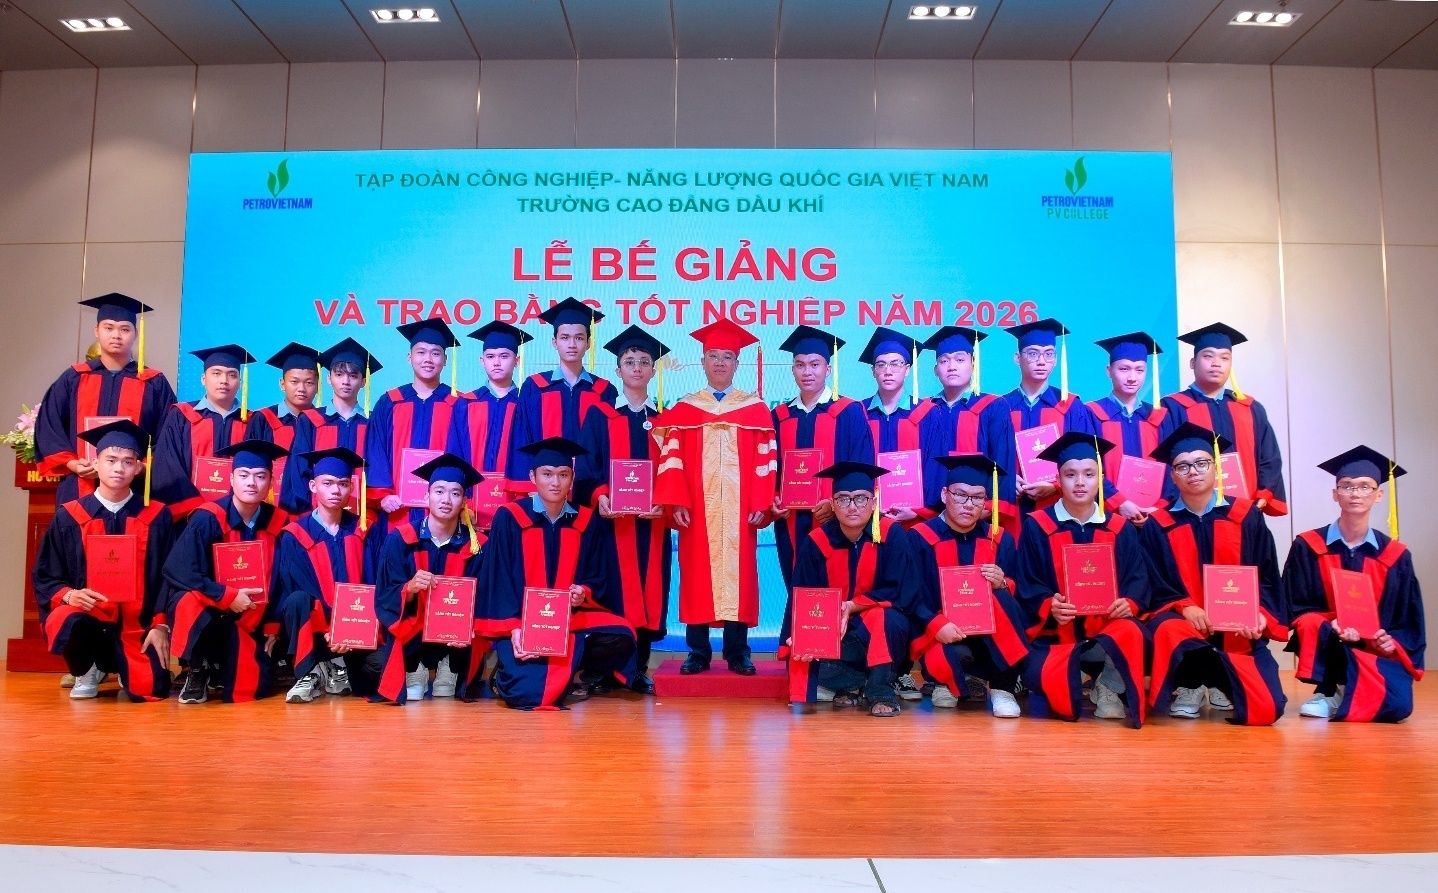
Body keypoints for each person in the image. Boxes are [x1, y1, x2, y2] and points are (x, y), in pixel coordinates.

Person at [1140, 423, 1287, 725]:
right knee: (1169, 629)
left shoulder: (1246, 516)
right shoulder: (1159, 525)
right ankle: (1190, 683)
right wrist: (1184, 605)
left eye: (1201, 463)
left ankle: (1220, 680)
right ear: (1173, 476)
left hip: (1237, 631)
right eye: (1182, 466)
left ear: (1216, 468)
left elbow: (1267, 575)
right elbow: (1154, 583)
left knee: (1267, 708)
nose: (1193, 471)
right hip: (1186, 626)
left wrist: (1260, 615)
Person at [653, 319, 776, 676]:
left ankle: (738, 652)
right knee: (695, 575)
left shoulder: (755, 410)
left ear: (737, 363)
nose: (720, 362)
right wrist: (676, 501)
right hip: (697, 510)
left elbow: (767, 461)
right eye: (713, 356)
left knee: (741, 576)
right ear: (702, 361)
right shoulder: (686, 410)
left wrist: (761, 503)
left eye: (727, 356)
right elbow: (671, 458)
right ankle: (698, 652)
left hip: (741, 511)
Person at [476, 437, 636, 710]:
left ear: (572, 479)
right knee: (525, 694)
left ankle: (572, 669)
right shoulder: (510, 517)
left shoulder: (586, 521)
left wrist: (582, 592)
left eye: (563, 475)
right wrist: (514, 628)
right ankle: (506, 674)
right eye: (547, 474)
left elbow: (596, 575)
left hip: (568, 620)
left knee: (623, 636)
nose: (555, 482)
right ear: (533, 477)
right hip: (521, 622)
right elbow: (498, 578)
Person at [32, 420, 174, 701]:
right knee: (63, 616)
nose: (119, 468)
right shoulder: (70, 516)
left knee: (151, 690)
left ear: (138, 468)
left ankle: (123, 665)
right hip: (89, 619)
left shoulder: (157, 517)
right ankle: (87, 669)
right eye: (111, 460)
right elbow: (46, 574)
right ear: (96, 464)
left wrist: (160, 624)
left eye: (128, 462)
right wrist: (69, 595)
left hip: (137, 626)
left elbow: (168, 576)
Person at [1015, 433, 1150, 727]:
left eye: (1089, 474)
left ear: (1100, 479)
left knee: (1136, 633)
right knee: (1047, 687)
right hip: (1056, 634)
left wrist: (1129, 602)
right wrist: (1048, 604)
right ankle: (1073, 671)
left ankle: (1109, 684)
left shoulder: (1119, 528)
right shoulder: (1037, 526)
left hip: (1105, 633)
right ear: (1058, 480)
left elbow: (1137, 578)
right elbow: (1027, 579)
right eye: (1070, 474)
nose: (1080, 482)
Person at [1285, 446, 1424, 722]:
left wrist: (1390, 640)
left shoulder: (1395, 555)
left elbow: (1409, 618)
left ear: (1378, 495)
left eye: (1364, 487)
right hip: (1329, 637)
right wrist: (1333, 623)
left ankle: (1347, 690)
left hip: (1373, 645)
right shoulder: (1308, 546)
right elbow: (1293, 602)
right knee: (1311, 623)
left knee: (1398, 707)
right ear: (1335, 494)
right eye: (1347, 486)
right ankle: (1327, 690)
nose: (1355, 493)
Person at [577, 326, 671, 694]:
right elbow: (587, 467)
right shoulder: (599, 416)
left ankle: (637, 668)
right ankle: (606, 669)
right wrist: (600, 495)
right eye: (629, 362)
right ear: (618, 370)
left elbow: (674, 470)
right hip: (611, 526)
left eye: (644, 362)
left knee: (648, 591)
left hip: (650, 525)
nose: (636, 367)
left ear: (653, 371)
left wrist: (663, 500)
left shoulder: (665, 421)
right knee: (612, 592)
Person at [163, 440, 291, 704]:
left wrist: (273, 625)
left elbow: (283, 580)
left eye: (260, 476)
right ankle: (197, 668)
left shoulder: (279, 522)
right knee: (186, 600)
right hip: (210, 609)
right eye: (243, 475)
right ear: (231, 479)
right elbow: (180, 570)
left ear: (271, 483)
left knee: (256, 686)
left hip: (252, 616)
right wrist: (226, 595)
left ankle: (220, 667)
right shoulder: (208, 517)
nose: (251, 483)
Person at [786, 461, 917, 717]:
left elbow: (904, 592)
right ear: (833, 504)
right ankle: (856, 682)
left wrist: (852, 606)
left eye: (860, 498)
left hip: (883, 633)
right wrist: (802, 635)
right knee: (805, 659)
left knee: (887, 618)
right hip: (836, 633)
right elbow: (802, 596)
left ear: (874, 502)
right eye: (843, 499)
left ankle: (881, 692)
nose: (853, 506)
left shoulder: (892, 535)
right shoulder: (817, 542)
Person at [909, 454, 1030, 718]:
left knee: (1003, 598)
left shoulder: (998, 539)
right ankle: (945, 682)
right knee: (953, 655)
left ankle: (1003, 688)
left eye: (977, 498)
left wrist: (1003, 583)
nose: (968, 504)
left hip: (990, 635)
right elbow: (910, 595)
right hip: (942, 631)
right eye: (960, 495)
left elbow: (1019, 587)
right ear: (944, 495)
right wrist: (936, 625)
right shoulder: (919, 538)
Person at [34, 294, 175, 506]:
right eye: (109, 328)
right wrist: (73, 464)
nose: (116, 335)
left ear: (136, 334)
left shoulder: (153, 382)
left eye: (125, 329)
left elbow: (169, 433)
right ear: (96, 331)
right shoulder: (74, 378)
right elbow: (49, 425)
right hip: (80, 485)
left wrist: (144, 466)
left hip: (136, 487)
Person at [373, 453, 487, 704]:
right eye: (439, 491)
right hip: (415, 633)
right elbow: (385, 594)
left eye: (455, 493)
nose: (446, 499)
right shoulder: (400, 539)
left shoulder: (478, 545)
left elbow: (487, 597)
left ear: (464, 502)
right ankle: (415, 667)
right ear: (426, 497)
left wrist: (466, 627)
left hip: (458, 639)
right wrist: (410, 588)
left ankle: (451, 667)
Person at [770, 325, 874, 596]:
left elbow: (861, 468)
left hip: (837, 517)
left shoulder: (849, 412)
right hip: (790, 521)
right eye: (800, 365)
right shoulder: (780, 416)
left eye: (815, 364)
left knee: (836, 588)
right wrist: (775, 497)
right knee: (797, 587)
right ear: (792, 369)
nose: (807, 372)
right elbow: (771, 467)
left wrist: (836, 502)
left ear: (828, 369)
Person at [274, 448, 380, 704]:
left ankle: (338, 664)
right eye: (328, 483)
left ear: (351, 488)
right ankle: (309, 670)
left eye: (343, 484)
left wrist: (349, 629)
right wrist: (333, 629)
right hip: (315, 629)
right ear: (313, 486)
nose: (336, 490)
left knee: (382, 668)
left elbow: (373, 582)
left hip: (357, 627)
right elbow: (298, 587)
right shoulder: (295, 534)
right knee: (297, 599)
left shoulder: (364, 529)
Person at [1159, 323, 1287, 516]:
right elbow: (1166, 462)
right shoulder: (1173, 407)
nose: (1216, 363)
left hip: (1246, 511)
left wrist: (1262, 497)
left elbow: (1269, 458)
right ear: (1192, 363)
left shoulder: (1250, 408)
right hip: (1191, 515)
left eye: (1224, 357)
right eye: (1208, 356)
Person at [507, 298, 617, 490]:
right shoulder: (534, 387)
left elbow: (610, 447)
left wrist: (603, 489)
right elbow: (522, 440)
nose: (572, 344)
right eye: (565, 337)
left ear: (589, 343)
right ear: (554, 342)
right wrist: (528, 488)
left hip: (590, 489)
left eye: (579, 338)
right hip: (545, 489)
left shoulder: (605, 391)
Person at [915, 326, 1017, 532]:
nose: (952, 366)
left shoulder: (993, 407)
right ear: (935, 370)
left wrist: (988, 508)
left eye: (960, 359)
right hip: (930, 519)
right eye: (944, 361)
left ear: (973, 364)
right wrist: (922, 511)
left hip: (979, 515)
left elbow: (1002, 462)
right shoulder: (924, 410)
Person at [364, 319, 463, 529]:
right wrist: (383, 494)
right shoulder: (390, 402)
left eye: (435, 353)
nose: (428, 359)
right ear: (409, 357)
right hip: (396, 508)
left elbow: (465, 455)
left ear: (445, 359)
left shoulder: (458, 404)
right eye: (421, 352)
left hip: (444, 511)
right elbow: (376, 450)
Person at [1002, 319, 1097, 521]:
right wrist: (1006, 480)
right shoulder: (1001, 407)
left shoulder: (1071, 406)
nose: (1041, 361)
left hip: (1059, 508)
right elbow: (992, 457)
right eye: (1033, 353)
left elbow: (1086, 459)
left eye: (1048, 354)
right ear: (1017, 358)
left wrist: (1055, 485)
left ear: (1055, 360)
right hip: (1012, 509)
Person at [149, 344, 254, 521]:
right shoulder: (181, 415)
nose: (224, 380)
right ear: (203, 379)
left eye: (232, 375)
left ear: (240, 382)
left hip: (237, 518)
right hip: (188, 518)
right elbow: (168, 465)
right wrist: (196, 510)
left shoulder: (252, 421)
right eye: (216, 373)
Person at [282, 337, 380, 517]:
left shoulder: (374, 422)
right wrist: (306, 516)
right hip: (317, 515)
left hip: (364, 517)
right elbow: (299, 469)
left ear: (363, 382)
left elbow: (379, 470)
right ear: (329, 378)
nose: (346, 381)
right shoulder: (310, 420)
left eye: (353, 376)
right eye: (339, 375)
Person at [448, 321, 529, 524]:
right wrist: (459, 499)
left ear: (517, 360)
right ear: (482, 361)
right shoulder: (465, 404)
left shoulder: (527, 404)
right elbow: (455, 454)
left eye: (504, 356)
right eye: (490, 357)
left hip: (517, 503)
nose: (497, 363)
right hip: (469, 505)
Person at [1087, 332, 1168, 524]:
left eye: (1140, 370)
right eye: (1124, 369)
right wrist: (1119, 502)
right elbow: (1087, 467)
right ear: (1109, 371)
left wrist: (1159, 507)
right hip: (1106, 515)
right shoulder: (1092, 413)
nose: (1132, 377)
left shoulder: (1159, 417)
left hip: (1153, 516)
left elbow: (1172, 468)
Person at [860, 327, 931, 524]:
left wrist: (919, 510)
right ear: (873, 371)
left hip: (915, 519)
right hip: (868, 518)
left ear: (907, 369)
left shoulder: (928, 413)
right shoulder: (859, 413)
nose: (888, 371)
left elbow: (933, 467)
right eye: (881, 364)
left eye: (896, 364)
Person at [244, 342, 321, 514]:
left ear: (317, 386)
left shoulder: (323, 423)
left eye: (309, 382)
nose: (301, 389)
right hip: (269, 508)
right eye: (294, 382)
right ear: (282, 383)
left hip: (314, 510)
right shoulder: (263, 419)